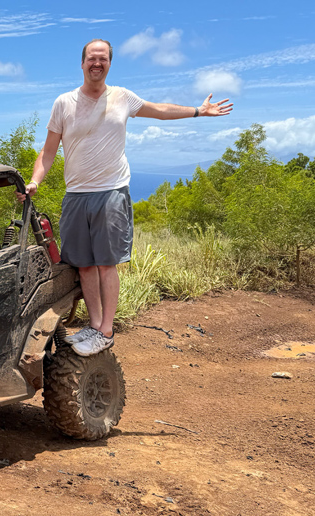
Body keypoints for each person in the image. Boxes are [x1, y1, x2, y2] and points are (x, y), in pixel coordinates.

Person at [18, 38, 232, 357]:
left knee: (106, 264)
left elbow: (159, 110)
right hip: (76, 195)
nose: (97, 63)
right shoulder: (64, 103)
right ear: (82, 63)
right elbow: (48, 152)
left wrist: (198, 111)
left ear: (109, 63)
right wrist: (35, 181)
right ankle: (94, 325)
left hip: (111, 192)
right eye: (92, 58)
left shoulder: (122, 97)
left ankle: (106, 331)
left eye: (103, 58)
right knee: (84, 266)